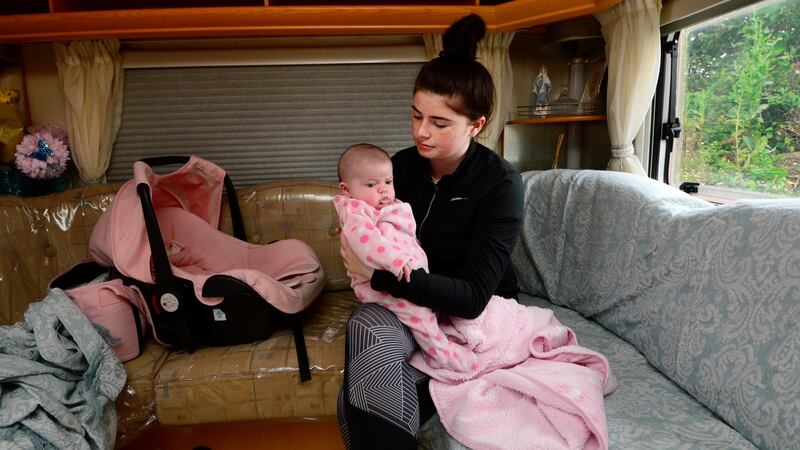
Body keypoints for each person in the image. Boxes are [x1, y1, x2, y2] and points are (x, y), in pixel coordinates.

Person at [337, 13, 524, 450]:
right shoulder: (397, 168)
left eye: (440, 124)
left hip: (468, 309)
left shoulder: (499, 183)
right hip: (408, 301)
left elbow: (475, 298)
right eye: (416, 115)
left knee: (360, 402)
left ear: (476, 125)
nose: (422, 131)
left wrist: (378, 274)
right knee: (366, 328)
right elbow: (359, 226)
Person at [334, 143, 478, 372]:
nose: (383, 190)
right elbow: (366, 243)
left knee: (433, 307)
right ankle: (442, 356)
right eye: (371, 184)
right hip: (379, 283)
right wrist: (395, 260)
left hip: (407, 276)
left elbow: (405, 233)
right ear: (346, 189)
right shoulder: (356, 211)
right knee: (418, 314)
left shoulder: (390, 205)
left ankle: (444, 334)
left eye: (388, 182)